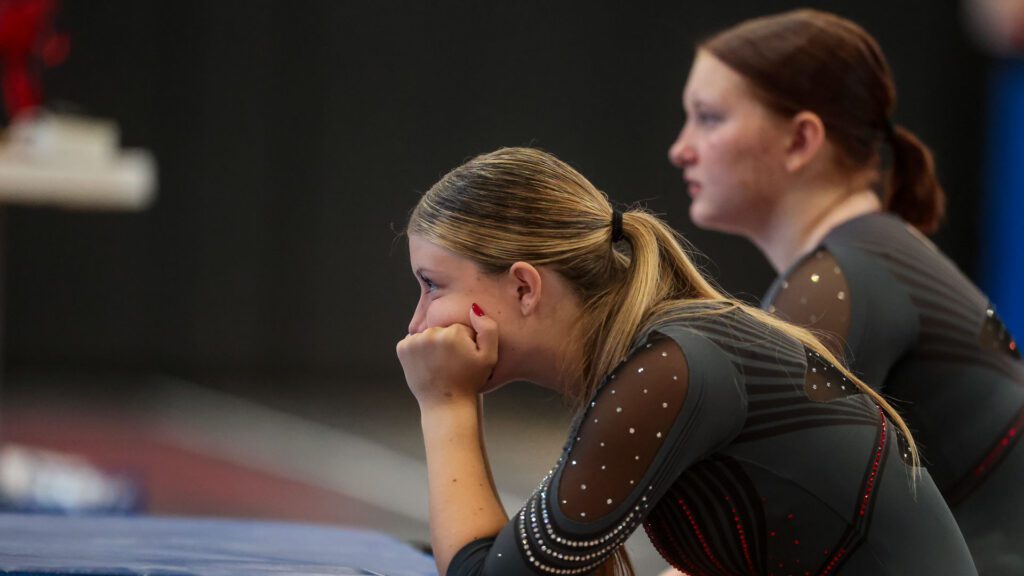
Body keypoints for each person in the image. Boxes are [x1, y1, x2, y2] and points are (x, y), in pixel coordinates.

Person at [396, 147, 975, 576]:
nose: (418, 325)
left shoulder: (668, 365)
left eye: (432, 285)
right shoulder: (666, 350)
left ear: (524, 289)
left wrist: (445, 404)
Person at [667, 9, 1024, 573]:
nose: (681, 149)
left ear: (801, 139)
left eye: (708, 119)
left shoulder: (837, 281)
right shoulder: (870, 253)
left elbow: (744, 545)